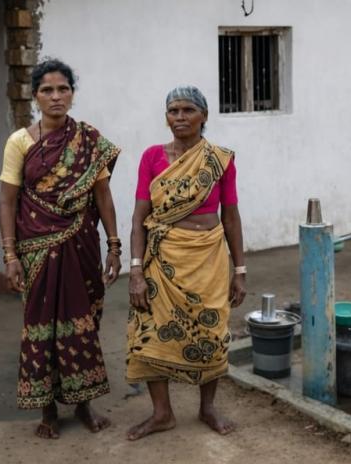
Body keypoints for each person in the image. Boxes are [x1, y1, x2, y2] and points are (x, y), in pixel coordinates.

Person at [0, 59, 121, 439]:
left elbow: (103, 196)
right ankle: (48, 410)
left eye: (63, 89)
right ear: (35, 96)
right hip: (36, 249)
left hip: (81, 245)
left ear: (72, 93)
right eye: (47, 90)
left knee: (83, 324)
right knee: (42, 326)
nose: (56, 96)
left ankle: (83, 404)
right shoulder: (20, 142)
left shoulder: (89, 140)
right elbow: (7, 201)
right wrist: (10, 256)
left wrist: (114, 246)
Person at [126, 85, 246, 440]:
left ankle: (207, 408)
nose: (179, 117)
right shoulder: (152, 157)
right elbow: (139, 218)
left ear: (203, 116)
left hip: (209, 260)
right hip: (162, 261)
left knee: (211, 331)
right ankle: (162, 413)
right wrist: (135, 270)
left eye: (188, 110)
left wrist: (240, 270)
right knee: (151, 332)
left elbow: (231, 217)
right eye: (173, 111)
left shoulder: (219, 160)